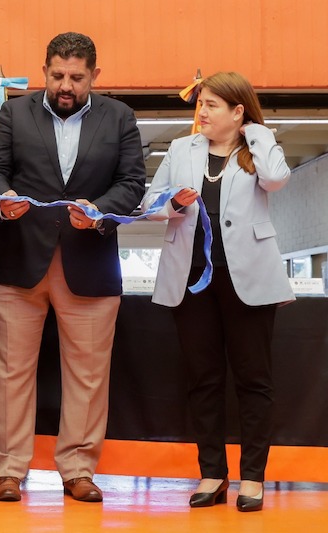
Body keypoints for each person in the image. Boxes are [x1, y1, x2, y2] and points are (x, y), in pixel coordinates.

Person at [0, 32, 146, 503]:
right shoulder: (14, 113)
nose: (65, 86)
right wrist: (2, 198)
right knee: (11, 372)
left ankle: (78, 469)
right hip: (18, 261)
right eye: (57, 76)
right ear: (44, 71)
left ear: (95, 75)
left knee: (88, 375)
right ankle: (7, 469)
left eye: (76, 77)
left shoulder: (120, 117)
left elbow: (132, 182)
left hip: (89, 261)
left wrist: (100, 210)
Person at [141, 71, 293, 512]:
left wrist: (256, 132)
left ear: (237, 111)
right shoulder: (180, 149)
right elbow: (151, 205)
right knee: (203, 379)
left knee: (254, 380)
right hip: (191, 279)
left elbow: (276, 179)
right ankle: (212, 472)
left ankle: (253, 477)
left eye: (211, 105)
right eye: (200, 104)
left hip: (249, 278)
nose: (201, 112)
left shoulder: (259, 148)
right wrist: (174, 204)